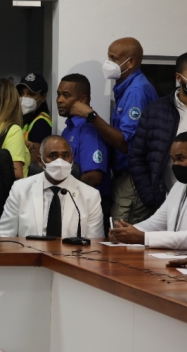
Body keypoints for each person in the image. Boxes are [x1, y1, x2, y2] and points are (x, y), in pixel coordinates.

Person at [70, 38, 158, 224]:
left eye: (114, 58)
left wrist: (91, 116)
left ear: (131, 62)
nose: (108, 63)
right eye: (108, 57)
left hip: (133, 178)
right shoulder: (125, 88)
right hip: (123, 176)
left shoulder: (136, 92)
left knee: (122, 231)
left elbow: (126, 144)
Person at [128, 52, 187, 214]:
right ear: (179, 77)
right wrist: (150, 196)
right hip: (166, 201)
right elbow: (137, 156)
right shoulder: (156, 111)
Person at [112, 132, 187, 250]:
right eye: (173, 160)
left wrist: (142, 237)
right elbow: (155, 224)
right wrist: (123, 232)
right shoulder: (180, 185)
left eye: (181, 158)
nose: (175, 165)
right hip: (176, 257)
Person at [0, 136, 103, 238]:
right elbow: (4, 236)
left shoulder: (91, 196)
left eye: (65, 156)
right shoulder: (20, 189)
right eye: (53, 156)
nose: (60, 162)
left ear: (72, 159)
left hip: (73, 252)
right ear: (40, 161)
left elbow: (95, 244)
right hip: (29, 251)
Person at [56, 74, 111, 211]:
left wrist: (64, 191)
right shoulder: (68, 129)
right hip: (72, 204)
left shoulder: (89, 129)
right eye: (58, 94)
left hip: (88, 207)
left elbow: (93, 177)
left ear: (83, 100)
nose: (59, 100)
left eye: (66, 95)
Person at [17, 72, 52, 165]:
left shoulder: (41, 123)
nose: (24, 98)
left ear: (43, 97)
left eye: (31, 94)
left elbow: (34, 163)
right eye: (21, 93)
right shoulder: (26, 119)